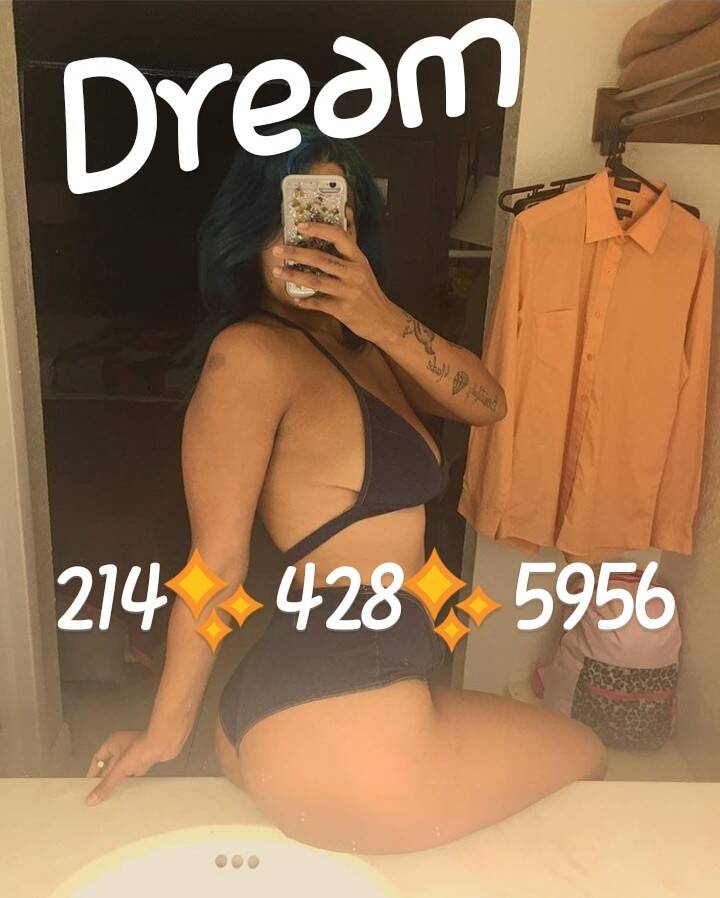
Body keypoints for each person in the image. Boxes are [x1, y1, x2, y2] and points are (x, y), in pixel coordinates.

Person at [86, 125, 606, 854]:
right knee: (586, 757)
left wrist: (377, 315)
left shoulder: (362, 346)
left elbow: (488, 403)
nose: (311, 240)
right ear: (249, 232)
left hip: (341, 685)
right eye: (288, 218)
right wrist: (163, 732)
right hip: (334, 704)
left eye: (337, 216)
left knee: (560, 758)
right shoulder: (249, 356)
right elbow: (217, 566)